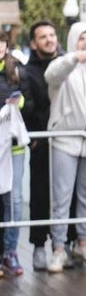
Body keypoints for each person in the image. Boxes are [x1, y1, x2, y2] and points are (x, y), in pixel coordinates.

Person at [44, 21, 86, 272]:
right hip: (65, 140)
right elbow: (51, 76)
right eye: (82, 39)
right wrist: (73, 58)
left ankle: (83, 243)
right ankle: (58, 249)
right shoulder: (63, 67)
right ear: (73, 41)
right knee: (61, 198)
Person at [19, 20, 59, 271]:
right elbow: (28, 107)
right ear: (33, 43)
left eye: (52, 34)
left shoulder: (69, 61)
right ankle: (38, 245)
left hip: (68, 140)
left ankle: (67, 244)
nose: (49, 39)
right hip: (42, 141)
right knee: (40, 194)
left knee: (69, 193)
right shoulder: (27, 71)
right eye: (43, 36)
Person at [0, 33, 25, 276]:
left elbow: (26, 96)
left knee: (14, 200)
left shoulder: (16, 68)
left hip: (13, 145)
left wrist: (18, 103)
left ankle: (10, 251)